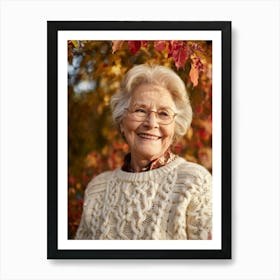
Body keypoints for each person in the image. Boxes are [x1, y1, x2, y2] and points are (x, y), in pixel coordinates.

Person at [75, 64, 212, 240]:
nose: (151, 123)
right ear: (122, 121)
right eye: (140, 110)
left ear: (175, 126)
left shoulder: (194, 182)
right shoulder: (97, 189)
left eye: (163, 114)